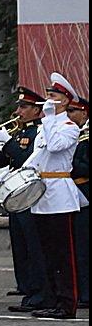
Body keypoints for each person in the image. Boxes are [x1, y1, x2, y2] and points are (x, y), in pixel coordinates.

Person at [26, 73, 87, 320]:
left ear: (64, 101)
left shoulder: (69, 127)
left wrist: (50, 119)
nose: (48, 100)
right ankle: (52, 299)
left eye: (53, 96)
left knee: (64, 252)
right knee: (48, 251)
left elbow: (55, 147)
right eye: (48, 95)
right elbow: (38, 156)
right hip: (42, 191)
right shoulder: (47, 126)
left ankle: (67, 303)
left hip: (60, 191)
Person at [0, 86, 47, 309]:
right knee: (20, 247)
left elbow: (27, 161)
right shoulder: (19, 132)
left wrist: (8, 143)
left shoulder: (39, 133)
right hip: (16, 195)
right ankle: (27, 289)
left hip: (30, 195)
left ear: (37, 111)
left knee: (33, 246)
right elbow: (4, 162)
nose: (19, 111)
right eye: (19, 106)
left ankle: (39, 293)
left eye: (24, 107)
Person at [71, 92, 90, 309]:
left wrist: (69, 162)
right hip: (70, 194)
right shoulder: (75, 133)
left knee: (84, 247)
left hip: (85, 192)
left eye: (72, 111)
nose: (69, 115)